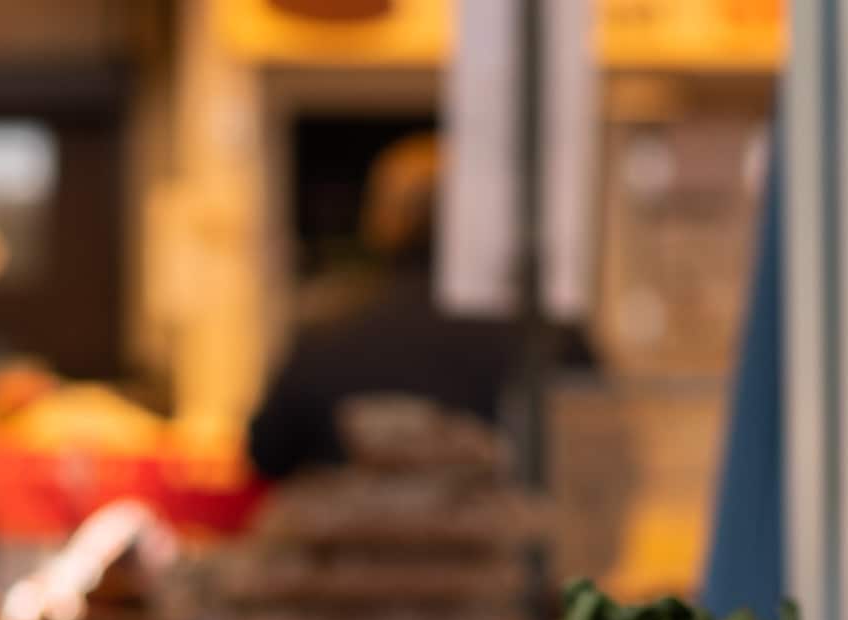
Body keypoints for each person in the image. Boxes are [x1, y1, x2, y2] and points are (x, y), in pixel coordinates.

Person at [247, 133, 594, 480]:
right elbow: (604, 455)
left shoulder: (324, 333)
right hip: (506, 533)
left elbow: (265, 457)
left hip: (363, 533)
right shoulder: (548, 334)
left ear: (380, 219)